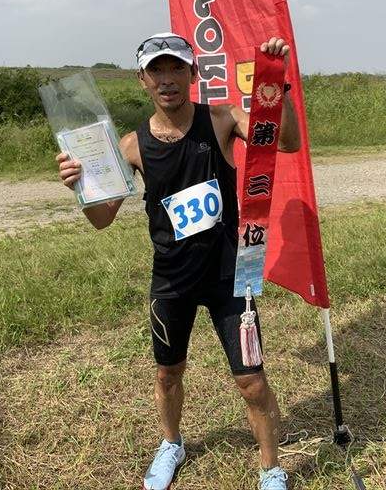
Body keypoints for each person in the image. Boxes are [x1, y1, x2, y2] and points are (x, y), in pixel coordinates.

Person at [57, 33, 300, 490]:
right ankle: (172, 444)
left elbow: (286, 143)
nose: (166, 79)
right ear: (142, 79)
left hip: (231, 276)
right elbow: (103, 220)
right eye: (156, 70)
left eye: (176, 68)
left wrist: (277, 85)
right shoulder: (131, 145)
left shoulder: (223, 119)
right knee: (168, 374)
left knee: (252, 382)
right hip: (171, 280)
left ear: (193, 74)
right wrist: (80, 189)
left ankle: (271, 469)